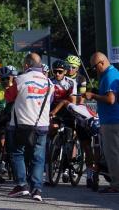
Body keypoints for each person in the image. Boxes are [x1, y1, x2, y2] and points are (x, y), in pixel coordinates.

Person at [5, 53, 51, 202]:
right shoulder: (49, 83)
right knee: (38, 158)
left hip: (21, 125)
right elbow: (50, 100)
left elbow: (8, 97)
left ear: (26, 65)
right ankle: (37, 189)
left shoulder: (20, 79)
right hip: (42, 125)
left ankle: (21, 185)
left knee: (17, 153)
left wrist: (9, 85)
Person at [84, 52, 119, 193]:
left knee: (113, 154)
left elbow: (111, 99)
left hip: (112, 121)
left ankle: (116, 185)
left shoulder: (110, 75)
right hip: (111, 119)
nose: (94, 71)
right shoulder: (111, 74)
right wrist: (97, 92)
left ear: (102, 63)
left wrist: (93, 95)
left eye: (94, 67)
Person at [65, 54, 96, 187]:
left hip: (77, 109)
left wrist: (75, 107)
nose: (70, 69)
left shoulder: (81, 78)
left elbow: (81, 99)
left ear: (77, 68)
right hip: (65, 110)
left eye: (73, 67)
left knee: (86, 144)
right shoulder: (61, 75)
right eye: (68, 66)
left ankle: (89, 174)